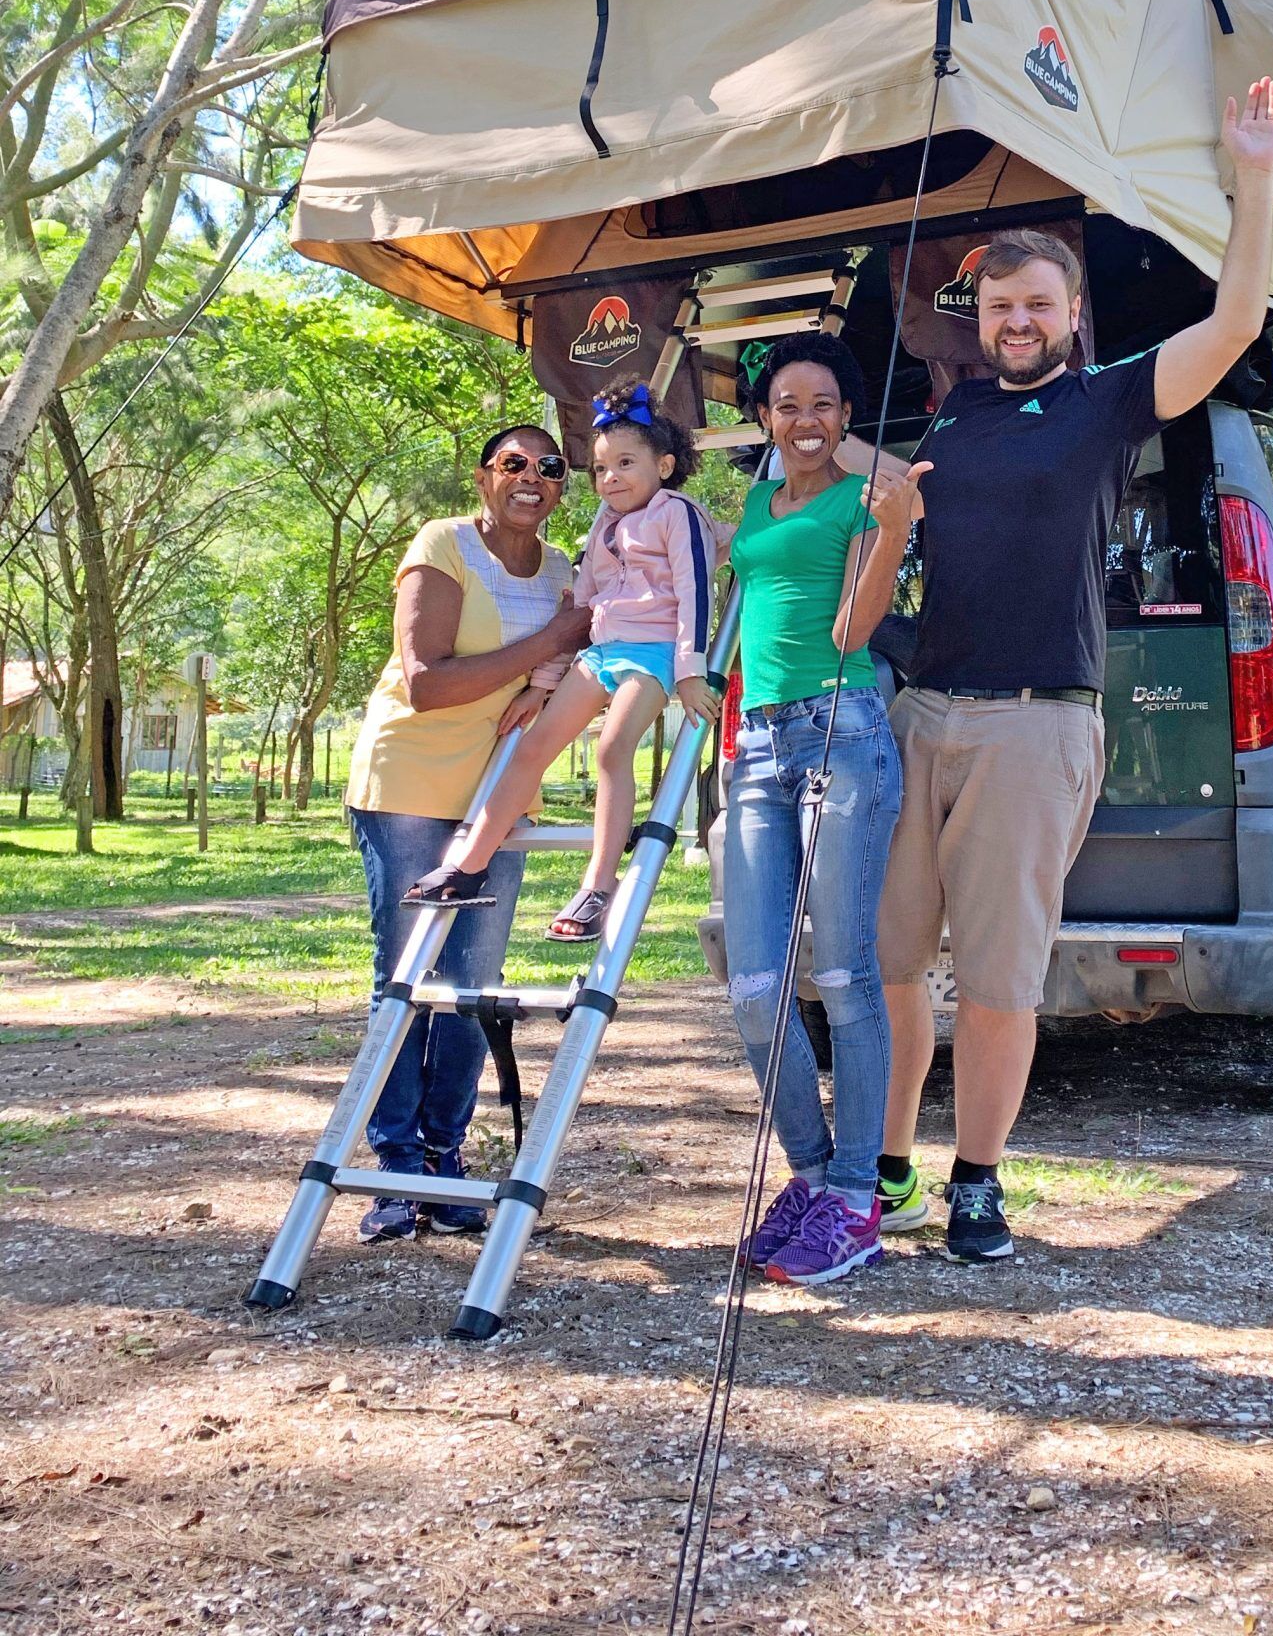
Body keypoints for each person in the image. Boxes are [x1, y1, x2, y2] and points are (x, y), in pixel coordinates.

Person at [876, 76, 1273, 1262]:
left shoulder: (1109, 403)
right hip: (922, 716)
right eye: (1000, 302)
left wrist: (1252, 172)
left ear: (1070, 313)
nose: (1017, 318)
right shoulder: (952, 418)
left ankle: (980, 1180)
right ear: (981, 311)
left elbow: (1233, 323)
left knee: (1000, 973)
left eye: (1038, 303)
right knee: (896, 958)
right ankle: (893, 1165)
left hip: (1034, 724)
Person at [345, 423, 589, 1243]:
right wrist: (545, 644)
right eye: (513, 463)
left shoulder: (565, 571)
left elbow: (574, 677)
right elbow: (424, 682)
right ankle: (393, 1166)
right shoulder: (442, 544)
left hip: (497, 798)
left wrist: (547, 682)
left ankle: (444, 1161)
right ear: (483, 477)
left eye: (550, 467)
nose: (532, 477)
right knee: (408, 978)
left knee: (473, 985)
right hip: (411, 783)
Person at [725, 331, 918, 1286]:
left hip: (841, 728)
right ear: (765, 419)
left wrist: (893, 529)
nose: (807, 421)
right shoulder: (755, 502)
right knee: (757, 989)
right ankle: (807, 1174)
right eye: (789, 406)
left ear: (847, 420)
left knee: (843, 973)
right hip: (756, 744)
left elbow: (851, 630)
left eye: (825, 405)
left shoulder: (864, 500)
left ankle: (854, 1196)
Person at [402, 387, 724, 934]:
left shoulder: (678, 515)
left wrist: (691, 671)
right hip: (600, 652)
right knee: (532, 748)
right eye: (600, 470)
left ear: (664, 465)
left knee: (610, 749)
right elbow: (579, 604)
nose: (611, 479)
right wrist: (541, 685)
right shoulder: (605, 524)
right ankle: (470, 864)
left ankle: (598, 886)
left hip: (653, 656)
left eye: (625, 464)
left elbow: (697, 591)